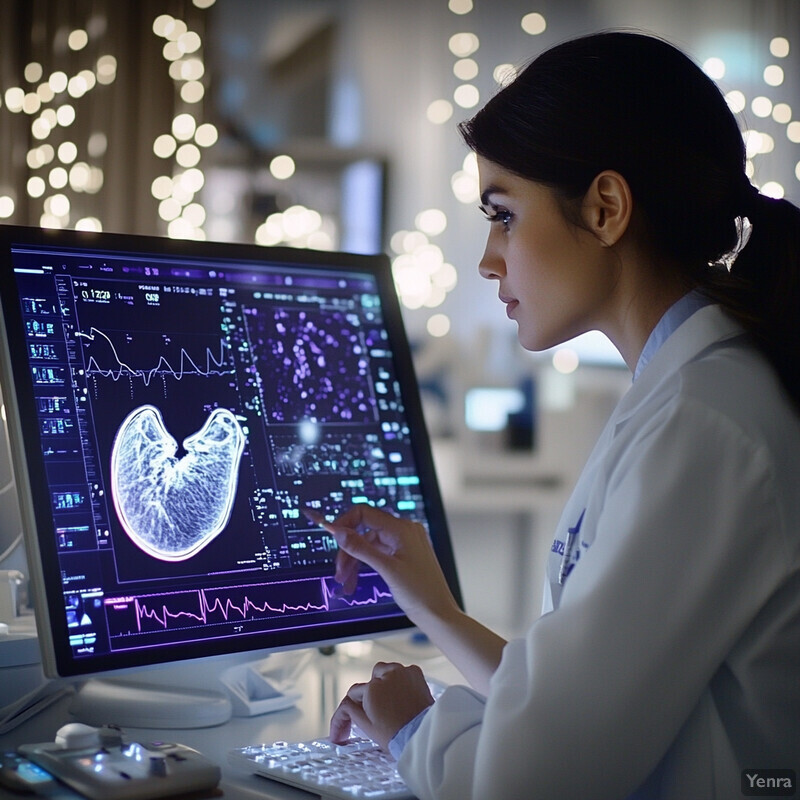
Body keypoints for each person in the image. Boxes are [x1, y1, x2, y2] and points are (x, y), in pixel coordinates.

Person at [312, 31, 800, 799]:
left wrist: (414, 727)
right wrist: (434, 607)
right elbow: (578, 710)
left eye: (503, 214)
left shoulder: (705, 423)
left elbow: (533, 781)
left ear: (606, 208)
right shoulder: (688, 391)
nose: (487, 257)